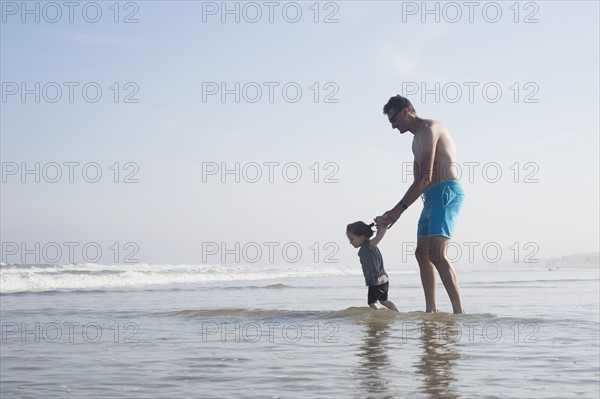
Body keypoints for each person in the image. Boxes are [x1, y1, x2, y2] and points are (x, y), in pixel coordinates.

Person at [377, 95, 465, 314]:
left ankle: (459, 312)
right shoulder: (415, 141)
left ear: (406, 111)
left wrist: (398, 211)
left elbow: (426, 177)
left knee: (437, 253)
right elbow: (419, 183)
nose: (393, 126)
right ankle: (431, 311)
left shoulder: (429, 129)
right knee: (422, 254)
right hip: (430, 197)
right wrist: (391, 214)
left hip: (446, 191)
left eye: (393, 120)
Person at [346, 220, 399, 311]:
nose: (350, 242)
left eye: (352, 239)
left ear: (362, 237)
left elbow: (379, 237)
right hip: (383, 279)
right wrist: (380, 226)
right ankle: (397, 313)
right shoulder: (366, 247)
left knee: (372, 302)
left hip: (376, 281)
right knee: (383, 301)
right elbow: (378, 235)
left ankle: (379, 316)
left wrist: (384, 225)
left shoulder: (369, 246)